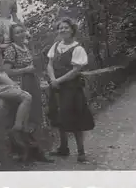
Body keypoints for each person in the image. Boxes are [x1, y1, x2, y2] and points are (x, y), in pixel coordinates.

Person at [46, 18, 95, 163]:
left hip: (72, 88)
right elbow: (49, 64)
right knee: (59, 116)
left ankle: (81, 152)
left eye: (66, 28)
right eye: (60, 28)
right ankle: (63, 148)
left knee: (76, 118)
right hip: (56, 87)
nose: (63, 30)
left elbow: (75, 70)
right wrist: (53, 79)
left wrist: (58, 81)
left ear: (72, 30)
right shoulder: (55, 46)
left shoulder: (77, 48)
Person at [3, 24, 53, 163]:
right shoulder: (11, 49)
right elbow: (7, 71)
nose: (20, 34)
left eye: (22, 31)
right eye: (17, 33)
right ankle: (25, 153)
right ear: (12, 36)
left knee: (36, 116)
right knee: (25, 118)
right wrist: (25, 70)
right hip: (21, 83)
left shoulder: (26, 47)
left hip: (33, 82)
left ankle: (38, 151)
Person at [0, 24, 32, 151]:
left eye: (0, 35)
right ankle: (17, 128)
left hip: (2, 79)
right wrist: (9, 83)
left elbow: (16, 41)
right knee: (26, 97)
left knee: (25, 97)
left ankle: (19, 129)